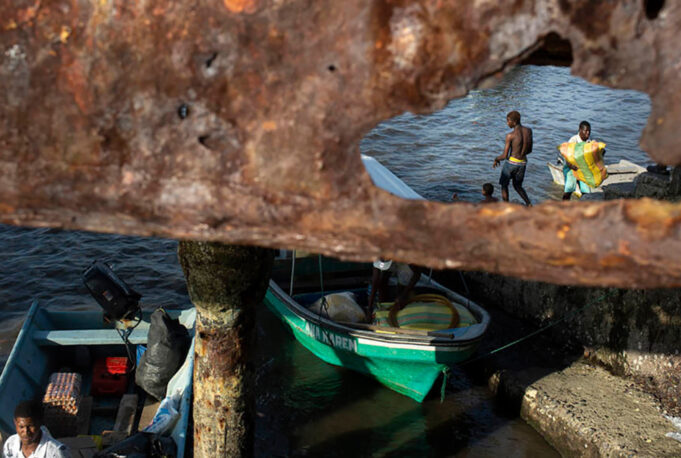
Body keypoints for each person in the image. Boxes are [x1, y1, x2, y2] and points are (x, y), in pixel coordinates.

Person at [3, 400, 70, 458]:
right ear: (15, 423)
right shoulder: (10, 444)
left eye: (31, 426)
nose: (26, 432)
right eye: (21, 427)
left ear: (39, 423)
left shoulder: (56, 452)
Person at [493, 111, 533, 206]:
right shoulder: (528, 131)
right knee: (518, 186)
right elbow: (530, 150)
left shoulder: (510, 136)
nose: (507, 123)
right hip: (523, 163)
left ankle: (506, 206)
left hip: (511, 164)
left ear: (514, 122)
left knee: (504, 185)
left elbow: (505, 156)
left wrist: (496, 159)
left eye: (508, 121)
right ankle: (529, 204)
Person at [560, 120, 594, 200]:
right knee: (568, 190)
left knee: (586, 192)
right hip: (571, 168)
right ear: (580, 130)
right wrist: (571, 166)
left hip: (582, 169)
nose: (588, 133)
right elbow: (567, 157)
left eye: (589, 131)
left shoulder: (589, 141)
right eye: (586, 131)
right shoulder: (573, 140)